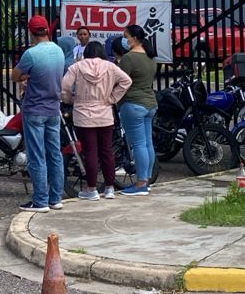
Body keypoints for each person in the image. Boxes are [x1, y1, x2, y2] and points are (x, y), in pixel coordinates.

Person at [60, 40, 131, 201]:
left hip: (83, 114)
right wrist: (112, 98)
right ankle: (109, 188)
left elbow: (64, 87)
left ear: (86, 53)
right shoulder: (110, 67)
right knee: (106, 151)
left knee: (90, 152)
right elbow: (126, 81)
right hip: (104, 113)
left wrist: (70, 100)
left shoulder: (77, 67)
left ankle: (91, 189)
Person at [12, 14, 67, 212]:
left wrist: (27, 75)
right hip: (53, 108)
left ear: (31, 32)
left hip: (34, 108)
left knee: (37, 156)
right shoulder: (58, 50)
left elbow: (15, 76)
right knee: (55, 154)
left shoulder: (31, 54)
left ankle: (40, 200)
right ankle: (55, 198)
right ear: (47, 30)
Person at [117, 24, 158, 196]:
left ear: (134, 38)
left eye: (125, 37)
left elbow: (120, 80)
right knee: (147, 143)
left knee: (138, 144)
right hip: (150, 103)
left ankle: (140, 183)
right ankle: (146, 180)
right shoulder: (150, 57)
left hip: (133, 104)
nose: (124, 40)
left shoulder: (128, 58)